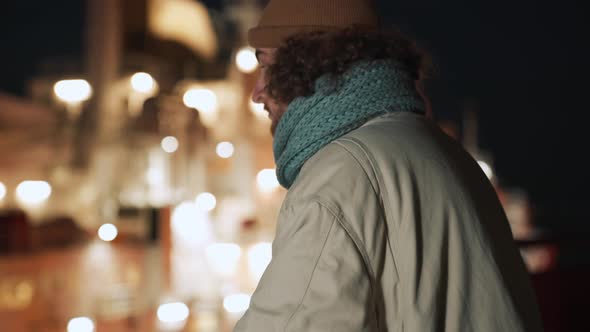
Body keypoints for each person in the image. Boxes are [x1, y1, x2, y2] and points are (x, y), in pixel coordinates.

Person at [234, 0, 544, 331]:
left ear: (305, 64)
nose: (257, 92)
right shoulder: (441, 148)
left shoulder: (338, 176)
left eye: (265, 65)